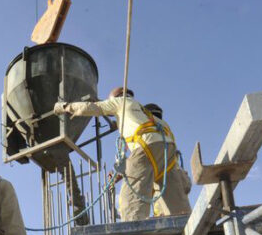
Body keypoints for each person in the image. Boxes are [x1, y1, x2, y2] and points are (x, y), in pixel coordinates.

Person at [54, 87, 191, 222]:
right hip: (168, 152)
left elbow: (92, 107)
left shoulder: (121, 102)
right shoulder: (147, 115)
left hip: (146, 147)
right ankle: (186, 228)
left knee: (130, 202)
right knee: (176, 202)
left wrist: (65, 107)